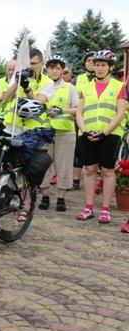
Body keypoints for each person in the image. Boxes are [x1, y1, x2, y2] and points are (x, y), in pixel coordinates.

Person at [75, 50, 126, 224]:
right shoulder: (86, 87)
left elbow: (120, 113)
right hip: (88, 134)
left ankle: (105, 209)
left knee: (107, 170)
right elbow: (79, 113)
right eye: (97, 64)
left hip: (110, 134)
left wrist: (105, 132)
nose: (99, 68)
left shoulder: (118, 86)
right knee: (89, 171)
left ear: (111, 67)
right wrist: (84, 130)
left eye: (103, 65)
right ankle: (88, 207)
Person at [37, 55, 79, 212]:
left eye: (58, 68)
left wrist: (63, 111)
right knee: (44, 164)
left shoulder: (70, 88)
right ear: (46, 69)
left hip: (65, 132)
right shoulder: (43, 87)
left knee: (64, 165)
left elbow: (77, 109)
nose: (54, 70)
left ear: (62, 70)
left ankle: (61, 198)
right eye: (51, 67)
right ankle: (45, 196)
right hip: (45, 132)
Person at [2, 48, 55, 136]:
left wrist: (26, 88)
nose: (30, 66)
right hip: (12, 127)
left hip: (31, 129)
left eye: (33, 63)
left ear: (42, 64)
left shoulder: (48, 82)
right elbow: (7, 97)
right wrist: (17, 81)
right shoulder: (18, 75)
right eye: (28, 63)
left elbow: (37, 103)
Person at [70, 51, 96, 190]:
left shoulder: (102, 79)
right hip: (78, 119)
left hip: (96, 120)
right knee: (78, 150)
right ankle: (75, 180)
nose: (91, 63)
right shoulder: (77, 79)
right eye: (88, 61)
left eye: (93, 61)